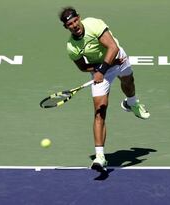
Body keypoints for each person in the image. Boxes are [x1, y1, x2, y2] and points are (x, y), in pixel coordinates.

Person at [59, 7, 150, 172]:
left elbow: (113, 47)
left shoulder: (94, 24)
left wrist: (103, 69)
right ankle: (100, 157)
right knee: (100, 111)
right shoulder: (71, 47)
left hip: (116, 59)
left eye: (74, 21)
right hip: (100, 71)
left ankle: (131, 103)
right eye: (69, 24)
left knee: (128, 82)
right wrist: (97, 71)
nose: (74, 25)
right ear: (66, 28)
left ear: (79, 18)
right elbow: (83, 67)